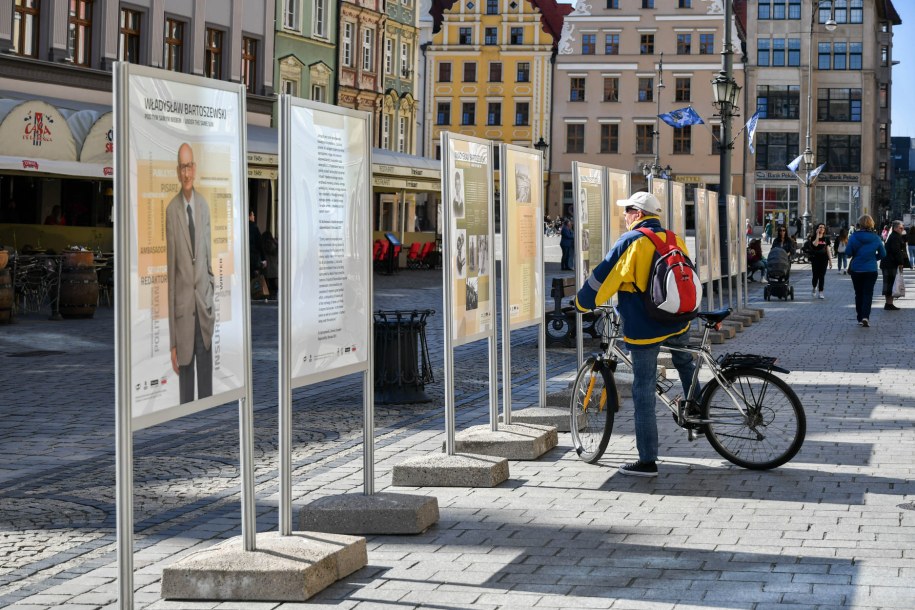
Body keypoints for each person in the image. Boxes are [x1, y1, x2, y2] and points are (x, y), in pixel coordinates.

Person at [575, 191, 697, 478]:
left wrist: (581, 303)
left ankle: (647, 460)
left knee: (643, 388)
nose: (625, 216)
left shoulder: (631, 241)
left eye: (628, 210)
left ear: (639, 214)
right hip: (678, 319)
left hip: (645, 326)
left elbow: (603, 277)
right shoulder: (673, 237)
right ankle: (697, 415)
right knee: (684, 363)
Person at [166, 143, 215, 404]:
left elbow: (208, 261)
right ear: (178, 171)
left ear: (194, 168)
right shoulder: (172, 211)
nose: (186, 173)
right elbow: (172, 278)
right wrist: (172, 341)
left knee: (207, 392)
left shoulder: (204, 207)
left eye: (189, 166)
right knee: (186, 396)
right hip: (184, 317)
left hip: (204, 316)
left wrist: (210, 302)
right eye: (182, 167)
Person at [845, 214, 885, 328]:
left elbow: (848, 253)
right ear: (871, 224)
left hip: (856, 269)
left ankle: (859, 317)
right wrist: (873, 258)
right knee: (868, 293)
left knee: (859, 293)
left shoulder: (853, 236)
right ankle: (865, 317)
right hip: (871, 269)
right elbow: (883, 254)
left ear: (859, 224)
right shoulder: (876, 237)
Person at [881, 220, 909, 311]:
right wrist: (900, 262)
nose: (903, 229)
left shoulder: (894, 236)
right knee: (890, 283)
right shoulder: (895, 237)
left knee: (890, 283)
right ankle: (889, 303)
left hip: (889, 263)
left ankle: (889, 303)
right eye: (901, 228)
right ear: (896, 228)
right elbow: (896, 251)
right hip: (890, 263)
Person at [803, 223, 832, 299]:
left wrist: (830, 260)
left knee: (822, 276)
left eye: (823, 227)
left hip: (824, 259)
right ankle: (814, 287)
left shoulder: (826, 239)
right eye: (820, 227)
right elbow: (815, 244)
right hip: (815, 258)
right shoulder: (813, 237)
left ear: (824, 229)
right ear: (817, 228)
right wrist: (817, 236)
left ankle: (821, 291)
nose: (821, 228)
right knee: (815, 275)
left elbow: (828, 250)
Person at [262, 230, 278, 294]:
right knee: (273, 285)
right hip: (273, 269)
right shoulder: (275, 244)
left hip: (267, 269)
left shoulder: (265, 244)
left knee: (268, 286)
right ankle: (273, 297)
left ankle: (269, 298)